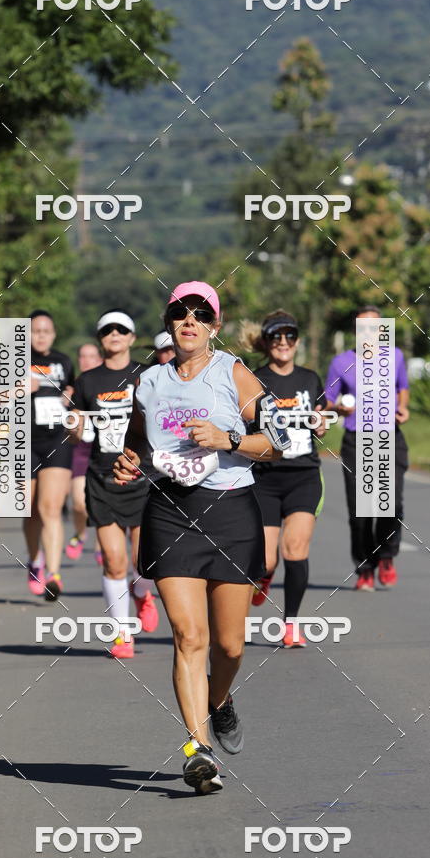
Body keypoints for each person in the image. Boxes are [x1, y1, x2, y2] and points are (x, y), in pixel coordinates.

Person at [114, 281, 289, 795]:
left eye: (199, 313)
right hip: (170, 511)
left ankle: (220, 700)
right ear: (169, 322)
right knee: (190, 636)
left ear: (214, 323)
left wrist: (229, 438)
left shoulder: (233, 372)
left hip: (232, 511)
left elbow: (278, 443)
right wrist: (129, 462)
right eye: (179, 312)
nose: (188, 320)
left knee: (229, 645)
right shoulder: (148, 382)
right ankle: (199, 750)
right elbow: (136, 442)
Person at [71, 310, 159, 659]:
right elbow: (78, 429)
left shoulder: (147, 376)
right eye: (107, 330)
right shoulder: (87, 381)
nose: (115, 334)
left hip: (141, 475)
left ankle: (142, 593)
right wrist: (72, 426)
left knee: (143, 561)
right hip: (102, 477)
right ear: (100, 338)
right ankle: (123, 634)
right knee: (113, 560)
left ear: (132, 338)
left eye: (122, 329)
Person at [240, 311, 327, 647]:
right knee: (266, 558)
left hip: (303, 475)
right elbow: (245, 423)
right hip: (264, 476)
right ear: (266, 342)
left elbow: (320, 415)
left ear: (297, 342)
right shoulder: (253, 379)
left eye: (290, 336)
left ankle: (291, 624)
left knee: (295, 549)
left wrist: (320, 423)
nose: (283, 343)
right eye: (276, 337)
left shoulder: (309, 378)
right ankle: (263, 576)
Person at [325, 306, 410, 591]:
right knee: (360, 513)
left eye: (375, 327)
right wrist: (340, 407)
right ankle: (364, 567)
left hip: (389, 437)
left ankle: (386, 555)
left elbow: (402, 387)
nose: (369, 334)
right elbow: (328, 401)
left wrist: (404, 407)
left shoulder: (395, 356)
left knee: (391, 504)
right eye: (363, 328)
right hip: (355, 440)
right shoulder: (340, 363)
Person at [25, 310, 75, 601]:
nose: (41, 335)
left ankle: (54, 574)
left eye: (46, 330)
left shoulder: (63, 361)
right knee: (30, 510)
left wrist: (70, 396)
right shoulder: (14, 360)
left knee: (50, 509)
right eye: (35, 330)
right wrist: (17, 389)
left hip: (57, 440)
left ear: (54, 334)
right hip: (23, 441)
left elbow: (74, 394)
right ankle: (35, 562)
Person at [65, 343, 103, 564]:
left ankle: (101, 544)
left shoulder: (106, 381)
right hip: (79, 448)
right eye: (82, 356)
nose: (87, 360)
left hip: (102, 447)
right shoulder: (72, 386)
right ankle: (80, 533)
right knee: (79, 502)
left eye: (91, 356)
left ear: (99, 358)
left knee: (101, 501)